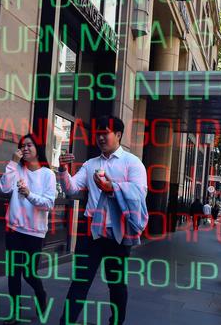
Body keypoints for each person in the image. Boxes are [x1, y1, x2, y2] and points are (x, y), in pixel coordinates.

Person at [56, 116, 148, 325]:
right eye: (97, 133)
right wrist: (63, 171)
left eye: (104, 132)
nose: (100, 137)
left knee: (116, 285)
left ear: (118, 135)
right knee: (80, 281)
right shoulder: (91, 164)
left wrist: (112, 187)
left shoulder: (132, 163)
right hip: (91, 232)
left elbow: (140, 193)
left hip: (118, 233)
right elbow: (71, 189)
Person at [0, 134, 56, 325]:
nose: (25, 149)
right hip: (14, 229)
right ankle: (14, 314)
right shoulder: (17, 169)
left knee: (29, 273)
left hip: (34, 232)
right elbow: (4, 189)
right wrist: (12, 163)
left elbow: (48, 203)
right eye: (22, 146)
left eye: (29, 145)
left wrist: (30, 195)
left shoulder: (48, 174)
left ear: (38, 148)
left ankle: (41, 295)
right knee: (13, 272)